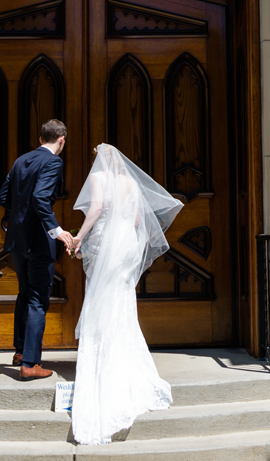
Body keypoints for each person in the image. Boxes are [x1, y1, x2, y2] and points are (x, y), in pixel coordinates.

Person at [64, 144, 184, 443]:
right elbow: (137, 221)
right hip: (127, 243)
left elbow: (97, 208)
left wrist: (79, 236)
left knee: (101, 299)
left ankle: (103, 360)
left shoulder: (99, 178)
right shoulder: (131, 182)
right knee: (121, 299)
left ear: (99, 162)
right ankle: (126, 358)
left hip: (109, 244)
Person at [0, 119, 74, 380]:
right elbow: (41, 197)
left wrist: (20, 218)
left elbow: (3, 197)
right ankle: (30, 363)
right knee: (37, 301)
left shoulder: (21, 160)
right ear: (61, 140)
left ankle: (20, 351)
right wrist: (58, 231)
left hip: (17, 240)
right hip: (40, 240)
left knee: (24, 293)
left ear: (41, 138)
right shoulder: (53, 162)